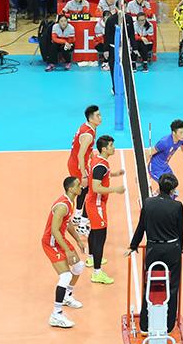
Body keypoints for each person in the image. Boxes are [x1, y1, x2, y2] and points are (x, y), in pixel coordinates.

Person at [125, 173, 183, 333]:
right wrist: (180, 247)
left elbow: (141, 227)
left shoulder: (149, 203)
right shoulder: (177, 206)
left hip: (153, 250)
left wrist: (133, 245)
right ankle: (169, 324)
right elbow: (180, 230)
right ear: (173, 190)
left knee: (149, 285)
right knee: (172, 287)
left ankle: (145, 324)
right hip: (172, 250)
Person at [43, 177, 87, 328]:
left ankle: (67, 296)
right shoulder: (62, 206)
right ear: (70, 189)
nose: (81, 187)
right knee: (66, 276)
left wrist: (78, 240)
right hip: (51, 242)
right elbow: (54, 230)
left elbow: (67, 224)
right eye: (77, 185)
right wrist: (67, 251)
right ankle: (56, 314)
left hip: (60, 239)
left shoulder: (71, 202)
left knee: (78, 267)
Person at [84, 135, 126, 284]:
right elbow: (96, 187)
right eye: (111, 146)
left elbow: (99, 176)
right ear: (104, 149)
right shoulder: (101, 165)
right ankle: (97, 273)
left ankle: (91, 258)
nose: (113, 148)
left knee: (94, 233)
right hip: (96, 205)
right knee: (100, 237)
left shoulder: (98, 160)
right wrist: (116, 189)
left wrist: (114, 174)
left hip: (92, 203)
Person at [146, 120, 183, 196]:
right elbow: (148, 153)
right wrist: (140, 172)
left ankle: (155, 195)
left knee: (174, 192)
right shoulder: (164, 142)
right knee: (169, 189)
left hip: (165, 167)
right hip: (155, 168)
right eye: (181, 132)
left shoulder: (182, 139)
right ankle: (154, 202)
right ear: (174, 133)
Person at [67, 105, 101, 227]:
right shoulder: (88, 135)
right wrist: (84, 176)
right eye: (98, 116)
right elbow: (80, 155)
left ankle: (77, 216)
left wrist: (92, 156)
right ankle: (83, 223)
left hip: (74, 162)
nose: (100, 118)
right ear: (91, 118)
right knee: (91, 191)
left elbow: (87, 148)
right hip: (78, 165)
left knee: (83, 190)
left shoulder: (89, 127)